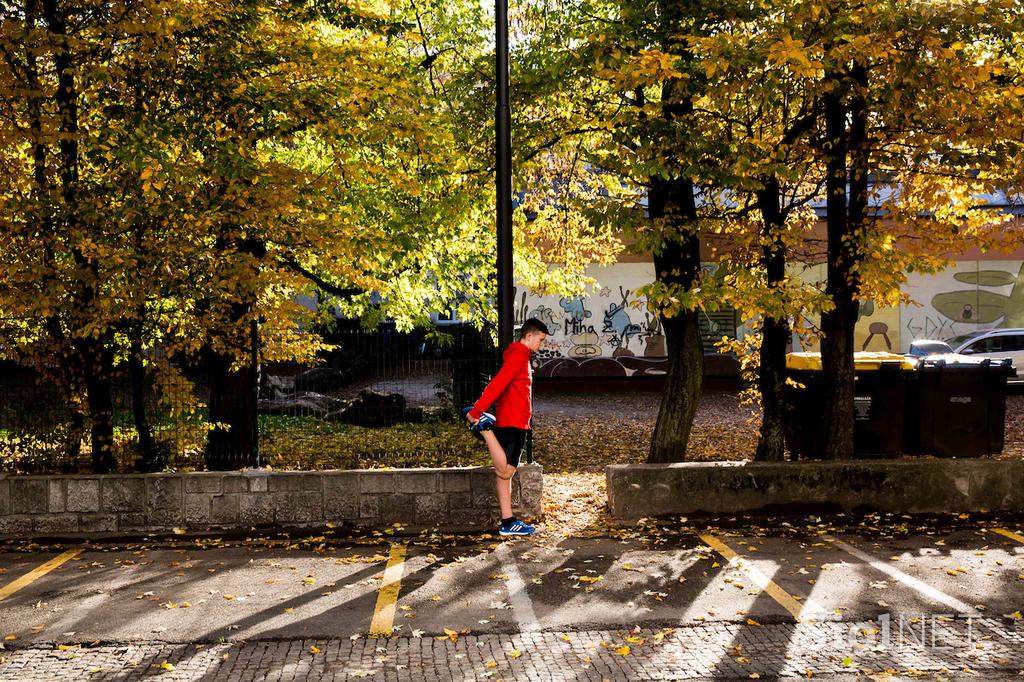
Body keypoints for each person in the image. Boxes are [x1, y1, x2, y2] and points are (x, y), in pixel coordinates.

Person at [464, 318, 548, 536]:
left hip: (513, 419)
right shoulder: (519, 355)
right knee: (506, 470)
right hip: (513, 422)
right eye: (540, 340)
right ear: (529, 336)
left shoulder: (520, 356)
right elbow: (498, 383)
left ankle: (508, 521)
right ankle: (484, 428)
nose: (541, 345)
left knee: (504, 476)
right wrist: (476, 412)